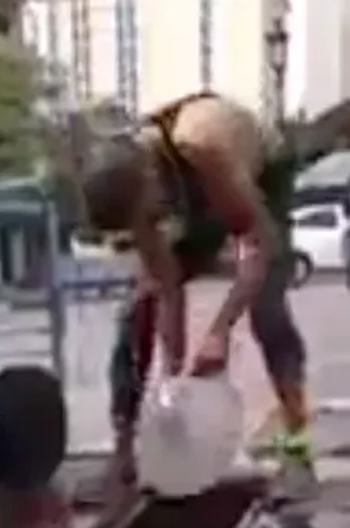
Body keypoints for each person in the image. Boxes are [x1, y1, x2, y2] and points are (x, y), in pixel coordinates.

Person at [79, 92, 313, 498]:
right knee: (134, 313)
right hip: (198, 193)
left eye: (144, 217)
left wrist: (220, 330)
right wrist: (173, 382)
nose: (147, 227)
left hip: (260, 178)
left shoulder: (203, 147)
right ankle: (123, 454)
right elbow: (167, 287)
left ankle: (297, 449)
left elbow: (255, 244)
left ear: (151, 177)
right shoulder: (136, 189)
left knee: (267, 309)